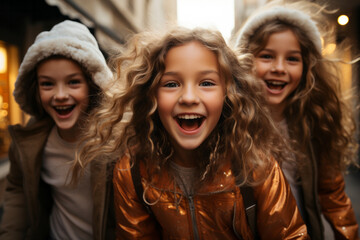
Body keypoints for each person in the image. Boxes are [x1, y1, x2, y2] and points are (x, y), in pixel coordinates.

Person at [74, 26, 309, 239]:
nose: (188, 98)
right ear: (150, 94)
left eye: (206, 83)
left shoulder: (255, 166)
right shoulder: (133, 170)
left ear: (228, 94)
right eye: (171, 84)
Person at [234, 0, 359, 239]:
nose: (279, 68)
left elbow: (333, 197)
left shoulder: (312, 124)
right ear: (245, 62)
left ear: (307, 68)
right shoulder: (232, 127)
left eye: (292, 59)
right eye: (267, 56)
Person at [0, 20, 115, 239]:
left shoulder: (115, 140)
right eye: (47, 84)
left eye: (73, 82)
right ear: (35, 89)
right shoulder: (30, 141)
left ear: (92, 86)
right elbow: (17, 191)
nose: (60, 95)